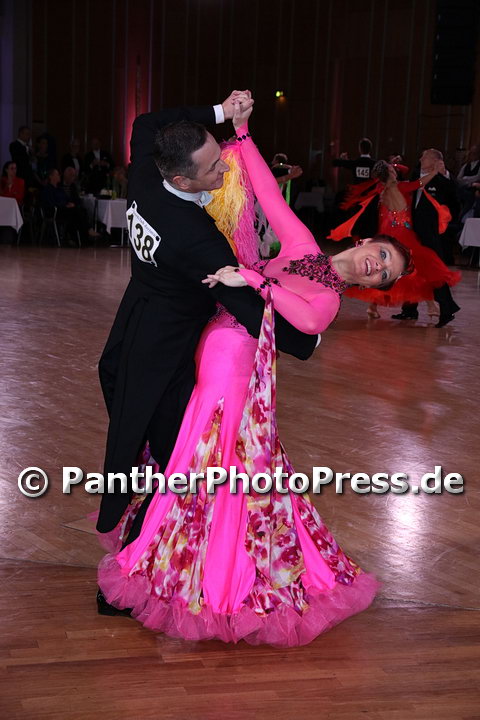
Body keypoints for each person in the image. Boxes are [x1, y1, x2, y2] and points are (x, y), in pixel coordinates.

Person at [97, 98, 411, 647]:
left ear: (374, 288)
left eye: (384, 275)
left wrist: (252, 279)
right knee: (183, 471)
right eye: (382, 255)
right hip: (199, 356)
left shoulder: (329, 302)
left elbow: (301, 327)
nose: (376, 267)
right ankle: (168, 561)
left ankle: (206, 580)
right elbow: (267, 192)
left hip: (230, 380)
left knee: (201, 476)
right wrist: (240, 133)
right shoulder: (303, 247)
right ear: (366, 241)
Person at [96, 91, 319, 549]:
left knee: (153, 442)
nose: (225, 169)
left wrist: (221, 112)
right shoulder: (195, 236)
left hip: (135, 320)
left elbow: (144, 121)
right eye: (214, 167)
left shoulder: (146, 171)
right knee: (178, 456)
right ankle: (139, 554)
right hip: (165, 351)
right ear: (181, 178)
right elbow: (243, 304)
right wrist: (302, 341)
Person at [329, 159, 461, 324]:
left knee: (397, 273)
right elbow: (419, 183)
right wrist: (434, 172)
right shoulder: (401, 187)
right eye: (392, 169)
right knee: (422, 269)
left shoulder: (381, 190)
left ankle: (397, 308)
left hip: (387, 234)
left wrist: (389, 167)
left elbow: (401, 172)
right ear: (391, 173)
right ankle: (433, 307)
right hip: (403, 235)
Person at [393, 149, 460, 327]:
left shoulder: (441, 180)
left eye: (425, 157)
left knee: (434, 271)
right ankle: (409, 310)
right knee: (412, 270)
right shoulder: (417, 175)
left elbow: (454, 196)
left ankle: (447, 308)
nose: (421, 158)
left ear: (435, 161)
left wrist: (445, 174)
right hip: (413, 233)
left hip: (431, 235)